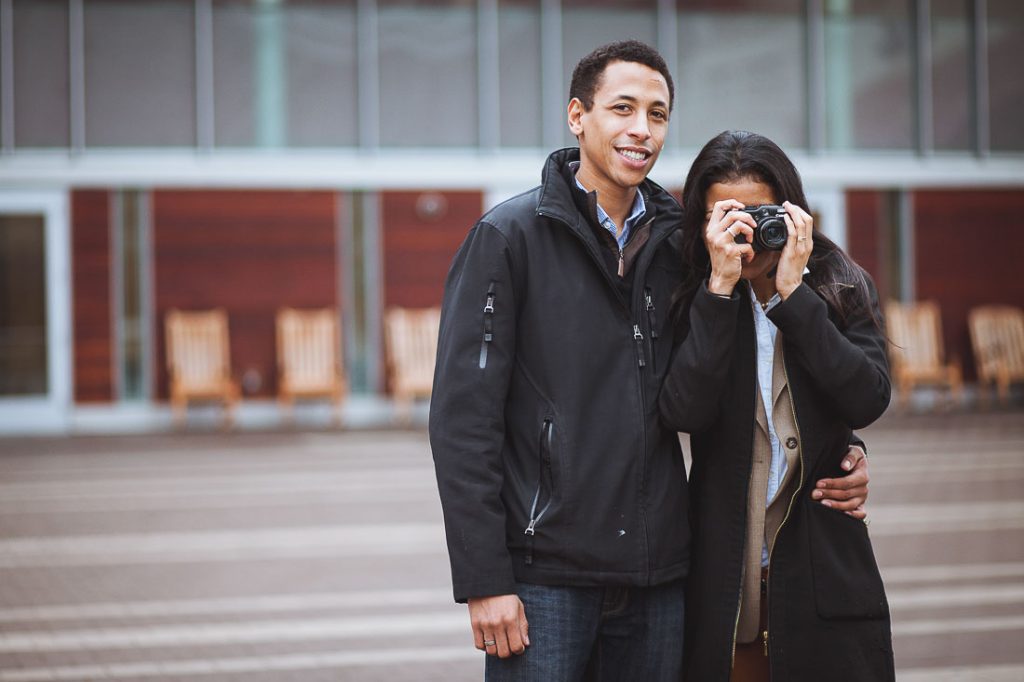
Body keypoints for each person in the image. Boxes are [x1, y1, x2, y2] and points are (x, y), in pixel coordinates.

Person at [430, 41, 870, 680]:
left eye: (658, 115)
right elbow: (463, 423)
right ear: (578, 116)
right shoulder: (508, 239)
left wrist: (844, 448)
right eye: (623, 108)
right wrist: (482, 579)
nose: (642, 130)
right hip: (545, 579)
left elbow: (740, 371)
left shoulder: (682, 246)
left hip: (659, 580)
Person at [659, 129, 894, 681]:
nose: (747, 231)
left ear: (792, 211)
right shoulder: (692, 296)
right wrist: (719, 289)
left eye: (760, 213)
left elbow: (866, 398)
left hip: (824, 581)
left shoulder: (838, 285)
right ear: (701, 223)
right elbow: (683, 412)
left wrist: (795, 295)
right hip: (725, 588)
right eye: (727, 216)